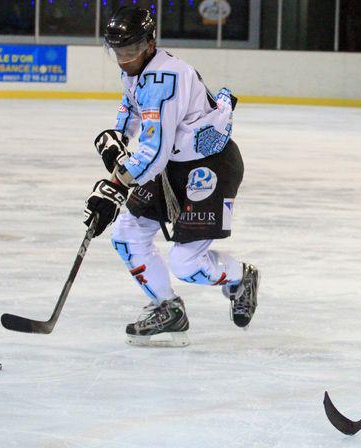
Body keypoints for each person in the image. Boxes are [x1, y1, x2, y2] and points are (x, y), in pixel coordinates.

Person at [83, 6, 259, 347]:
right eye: (118, 50)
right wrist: (117, 137)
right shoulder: (137, 70)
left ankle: (241, 276)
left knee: (186, 263)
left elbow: (154, 151)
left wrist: (116, 185)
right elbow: (132, 107)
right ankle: (169, 308)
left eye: (132, 49)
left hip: (209, 168)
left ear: (150, 43)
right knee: (127, 235)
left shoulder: (165, 78)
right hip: (173, 164)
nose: (124, 58)